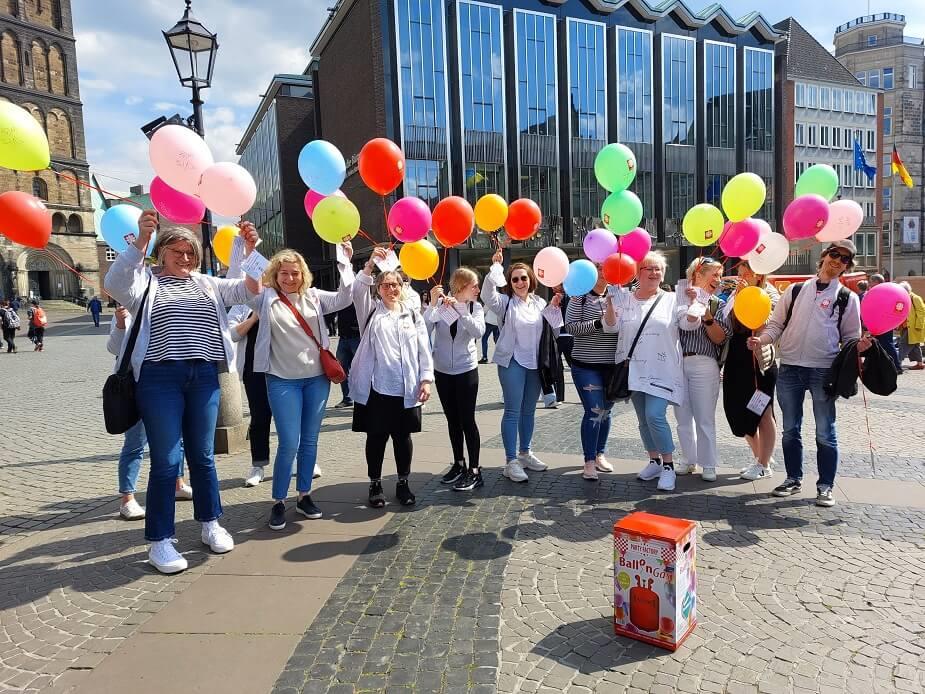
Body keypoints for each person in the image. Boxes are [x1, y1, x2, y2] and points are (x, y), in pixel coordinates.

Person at [105, 210, 260, 574]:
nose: (186, 259)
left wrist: (251, 250)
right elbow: (114, 282)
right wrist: (141, 241)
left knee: (203, 457)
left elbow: (249, 290)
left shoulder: (207, 284)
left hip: (204, 376)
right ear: (161, 253)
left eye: (191, 253)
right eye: (178, 252)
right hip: (160, 380)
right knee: (166, 461)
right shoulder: (144, 282)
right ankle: (160, 541)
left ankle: (210, 523)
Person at [748, 240, 870, 507]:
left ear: (848, 267)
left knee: (825, 431)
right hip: (790, 367)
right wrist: (763, 340)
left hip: (823, 370)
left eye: (845, 259)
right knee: (791, 429)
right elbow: (776, 324)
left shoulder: (847, 298)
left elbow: (850, 337)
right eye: (834, 254)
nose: (837, 261)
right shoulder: (795, 290)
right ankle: (793, 478)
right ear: (824, 256)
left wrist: (858, 346)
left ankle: (825, 486)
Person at [247, 246, 354, 530]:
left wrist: (345, 262)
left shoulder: (314, 297)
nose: (290, 278)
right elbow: (246, 287)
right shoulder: (265, 298)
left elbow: (346, 297)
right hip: (282, 379)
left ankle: (304, 495)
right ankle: (278, 501)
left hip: (316, 379)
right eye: (284, 273)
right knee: (289, 442)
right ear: (275, 274)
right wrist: (247, 251)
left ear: (303, 274)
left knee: (309, 440)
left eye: (295, 273)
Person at [350, 247, 433, 508]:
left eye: (395, 284)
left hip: (406, 387)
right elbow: (356, 291)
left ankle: (403, 483)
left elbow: (423, 348)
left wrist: (426, 379)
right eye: (385, 285)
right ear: (378, 289)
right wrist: (370, 264)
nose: (391, 289)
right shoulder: (371, 311)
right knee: (376, 437)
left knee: (402, 437)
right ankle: (375, 484)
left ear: (402, 286)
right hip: (377, 388)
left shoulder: (412, 313)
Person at [602, 251, 686, 492]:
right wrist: (609, 304)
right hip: (633, 370)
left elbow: (690, 324)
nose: (654, 272)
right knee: (643, 420)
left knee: (655, 415)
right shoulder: (624, 298)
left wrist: (695, 306)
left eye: (658, 268)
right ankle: (654, 461)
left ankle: (669, 466)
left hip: (662, 369)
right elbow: (610, 328)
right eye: (648, 268)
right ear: (637, 273)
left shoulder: (673, 299)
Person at [481, 248, 562, 483]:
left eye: (523, 278)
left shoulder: (539, 302)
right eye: (514, 278)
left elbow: (554, 330)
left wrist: (555, 309)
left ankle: (525, 453)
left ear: (531, 280)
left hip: (535, 364)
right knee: (513, 410)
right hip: (512, 362)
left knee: (529, 411)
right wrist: (495, 268)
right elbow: (488, 294)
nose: (519, 282)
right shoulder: (505, 302)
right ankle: (510, 461)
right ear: (510, 282)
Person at [107, 305, 193, 520]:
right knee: (135, 442)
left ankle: (178, 483)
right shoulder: (128, 311)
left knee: (177, 438)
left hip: (168, 382)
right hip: (135, 385)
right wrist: (119, 323)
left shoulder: (166, 306)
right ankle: (127, 499)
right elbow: (114, 348)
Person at [425, 268, 486, 492]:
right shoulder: (441, 307)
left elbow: (478, 331)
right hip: (443, 371)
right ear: (461, 286)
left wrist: (462, 310)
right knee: (452, 420)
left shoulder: (475, 307)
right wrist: (433, 304)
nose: (477, 289)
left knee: (467, 420)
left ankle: (475, 470)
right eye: (474, 286)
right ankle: (458, 464)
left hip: (466, 370)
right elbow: (425, 328)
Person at [674, 258, 731, 482]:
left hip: (704, 363)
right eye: (714, 275)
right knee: (682, 416)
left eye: (720, 275)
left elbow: (720, 338)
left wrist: (706, 315)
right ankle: (688, 459)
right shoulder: (677, 299)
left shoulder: (719, 303)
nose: (718, 280)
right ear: (696, 275)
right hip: (678, 363)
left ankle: (708, 463)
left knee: (705, 417)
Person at [723, 265, 781, 481]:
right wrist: (737, 298)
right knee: (737, 410)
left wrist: (752, 299)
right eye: (740, 272)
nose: (742, 276)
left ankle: (763, 463)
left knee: (762, 409)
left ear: (759, 273)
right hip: (737, 358)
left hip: (759, 360)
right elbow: (727, 324)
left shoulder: (770, 292)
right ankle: (760, 457)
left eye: (747, 272)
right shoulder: (735, 293)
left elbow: (772, 325)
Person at [564, 266, 618, 480]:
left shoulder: (618, 294)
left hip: (613, 366)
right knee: (594, 410)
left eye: (608, 267)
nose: (604, 272)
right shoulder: (580, 297)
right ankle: (588, 460)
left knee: (606, 412)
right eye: (599, 268)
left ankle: (599, 454)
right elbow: (571, 327)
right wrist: (599, 323)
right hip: (586, 365)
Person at [867, 274, 901, 374]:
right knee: (879, 344)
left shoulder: (884, 291)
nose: (869, 284)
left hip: (884, 322)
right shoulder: (880, 291)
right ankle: (881, 366)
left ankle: (896, 366)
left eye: (871, 282)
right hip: (879, 322)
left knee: (887, 344)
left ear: (876, 282)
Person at [333, 304, 361, 408]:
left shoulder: (360, 293)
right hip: (343, 338)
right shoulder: (342, 297)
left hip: (357, 337)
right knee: (341, 370)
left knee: (361, 371)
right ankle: (347, 398)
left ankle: (363, 399)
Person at [897, 281, 924, 370]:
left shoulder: (915, 298)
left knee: (903, 344)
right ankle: (920, 364)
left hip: (913, 327)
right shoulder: (905, 298)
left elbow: (921, 312)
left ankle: (897, 363)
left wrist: (918, 326)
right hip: (906, 326)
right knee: (915, 345)